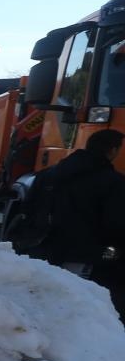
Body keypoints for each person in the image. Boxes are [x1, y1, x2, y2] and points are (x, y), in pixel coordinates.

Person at [30, 128, 125, 315]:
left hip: (50, 250)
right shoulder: (114, 182)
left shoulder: (49, 175)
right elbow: (116, 224)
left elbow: (32, 209)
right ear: (113, 150)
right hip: (92, 258)